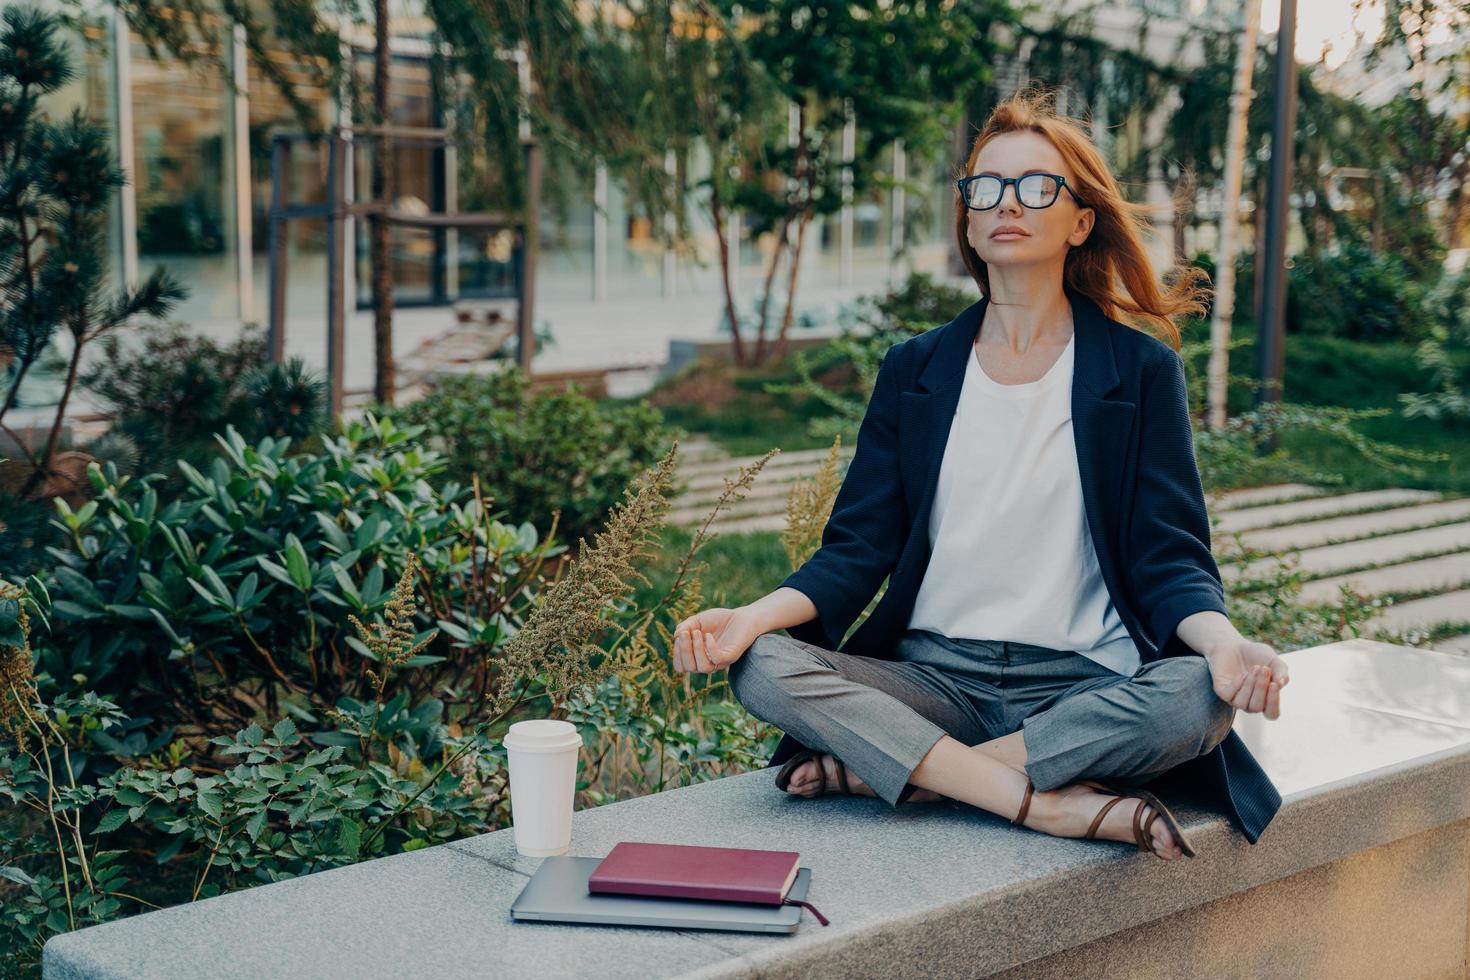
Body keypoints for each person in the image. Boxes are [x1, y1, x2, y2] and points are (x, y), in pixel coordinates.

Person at [671, 86, 1289, 861]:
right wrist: (751, 617)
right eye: (986, 187)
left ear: (1081, 221)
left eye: (1037, 187)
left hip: (1081, 684)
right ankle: (1037, 802)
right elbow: (857, 548)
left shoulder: (1139, 372)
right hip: (935, 683)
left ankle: (924, 777)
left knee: (1198, 695)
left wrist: (1225, 644)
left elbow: (1171, 557)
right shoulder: (916, 370)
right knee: (761, 663)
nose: (1009, 203)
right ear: (968, 216)